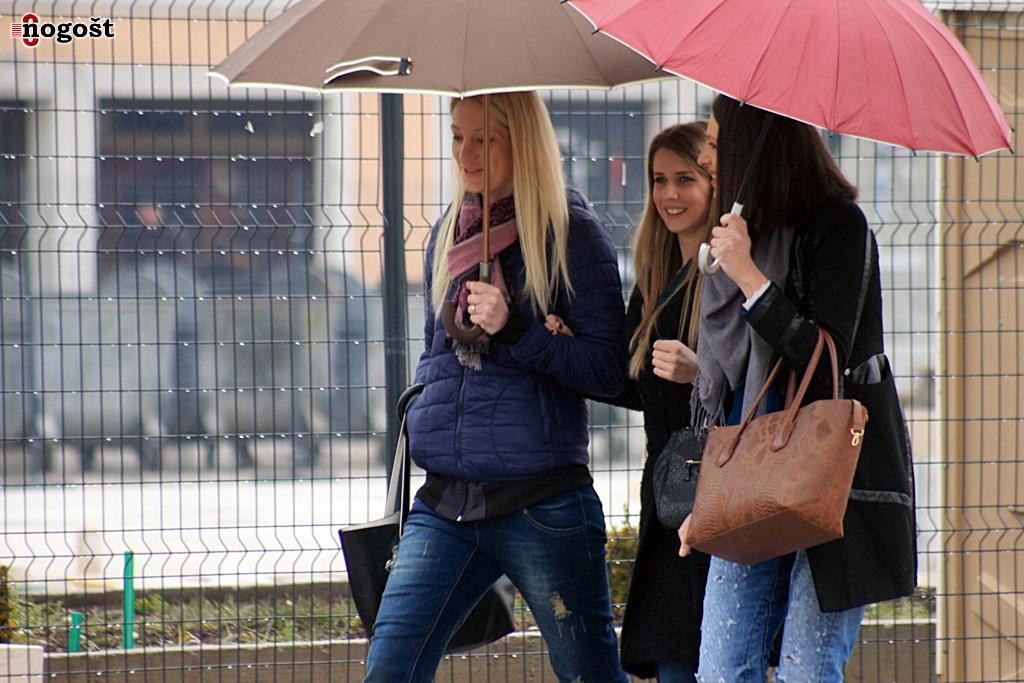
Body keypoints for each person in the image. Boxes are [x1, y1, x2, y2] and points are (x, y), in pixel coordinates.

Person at [363, 91, 630, 683]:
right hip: (446, 503)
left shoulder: (571, 234)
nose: (466, 154)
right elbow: (436, 353)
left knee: (589, 674)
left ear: (524, 143)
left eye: (484, 139)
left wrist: (517, 329)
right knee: (388, 669)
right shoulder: (449, 234)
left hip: (542, 503)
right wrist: (427, 414)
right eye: (458, 137)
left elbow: (609, 370)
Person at [678, 94, 917, 683]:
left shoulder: (839, 226)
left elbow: (829, 362)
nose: (705, 159)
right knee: (720, 668)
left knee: (807, 670)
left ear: (754, 150)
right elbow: (729, 381)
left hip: (834, 476)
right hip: (751, 472)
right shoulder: (745, 231)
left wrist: (751, 279)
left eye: (715, 144)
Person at [547, 122, 713, 682]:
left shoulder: (728, 272)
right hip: (671, 490)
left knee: (709, 652)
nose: (669, 194)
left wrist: (700, 373)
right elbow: (636, 385)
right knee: (673, 656)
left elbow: (762, 383)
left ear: (713, 184)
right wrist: (568, 347)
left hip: (720, 489)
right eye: (659, 180)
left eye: (685, 179)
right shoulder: (656, 275)